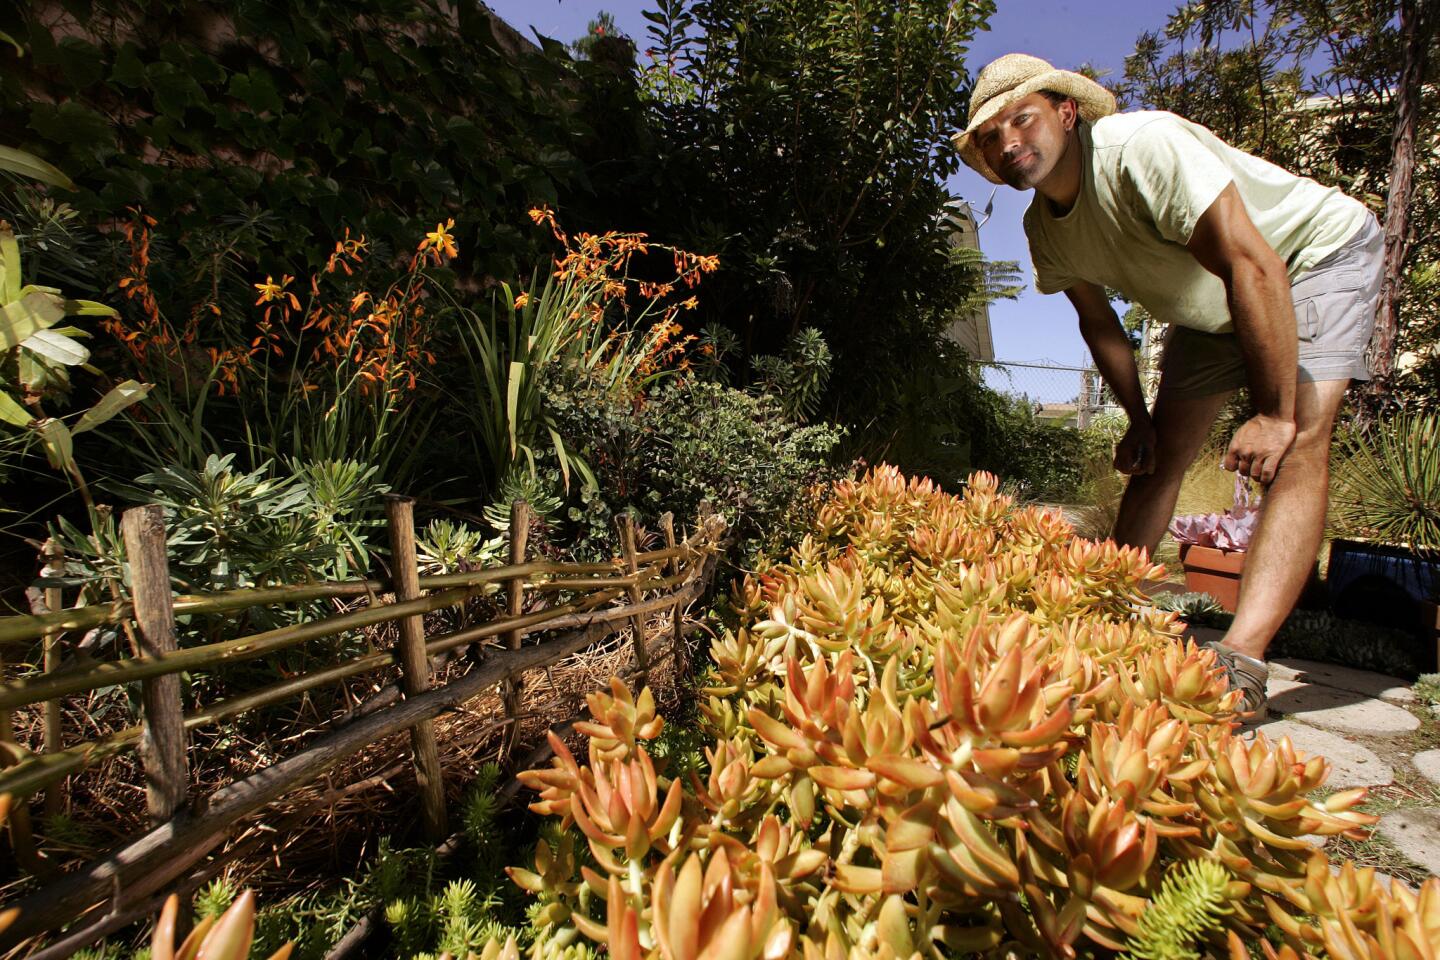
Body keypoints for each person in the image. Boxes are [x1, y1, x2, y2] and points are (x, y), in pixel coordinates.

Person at [951, 54, 1383, 719]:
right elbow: (1102, 329)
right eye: (990, 136)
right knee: (1156, 465)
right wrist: (1139, 421)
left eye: (1022, 119)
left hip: (1306, 259)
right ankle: (1097, 620)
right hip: (1211, 306)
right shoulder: (1045, 230)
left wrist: (1273, 412)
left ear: (1066, 113)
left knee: (1298, 445)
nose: (1008, 143)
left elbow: (1253, 260)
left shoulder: (1138, 149)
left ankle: (1243, 658)